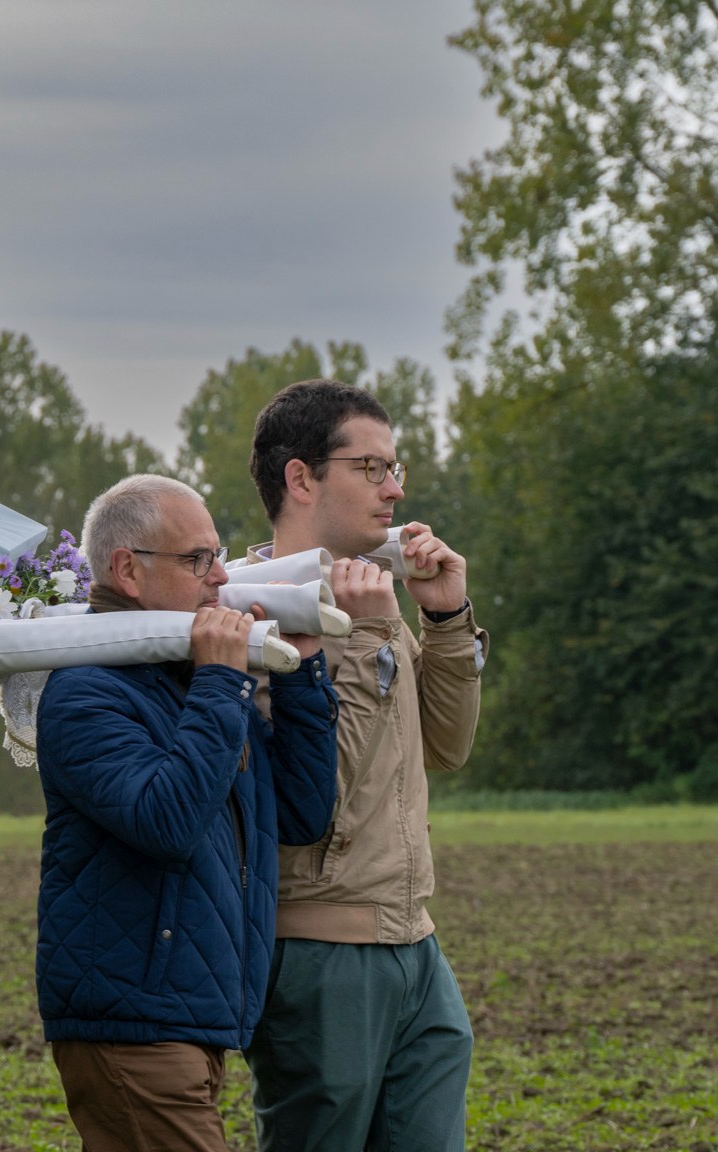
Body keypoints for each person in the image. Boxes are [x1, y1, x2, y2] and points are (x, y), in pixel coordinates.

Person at [33, 474, 340, 1152]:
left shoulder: (186, 678)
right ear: (128, 571)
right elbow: (166, 823)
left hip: (187, 1015)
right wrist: (222, 681)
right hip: (135, 1022)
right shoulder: (86, 693)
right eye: (198, 559)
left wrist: (302, 673)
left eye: (218, 553)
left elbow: (299, 815)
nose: (222, 575)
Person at [241, 379, 488, 1152]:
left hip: (415, 941)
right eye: (373, 468)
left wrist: (444, 617)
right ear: (302, 478)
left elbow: (445, 747)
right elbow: (322, 794)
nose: (397, 488)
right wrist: (375, 633)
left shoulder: (369, 593)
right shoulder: (255, 613)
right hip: (322, 950)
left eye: (396, 466)